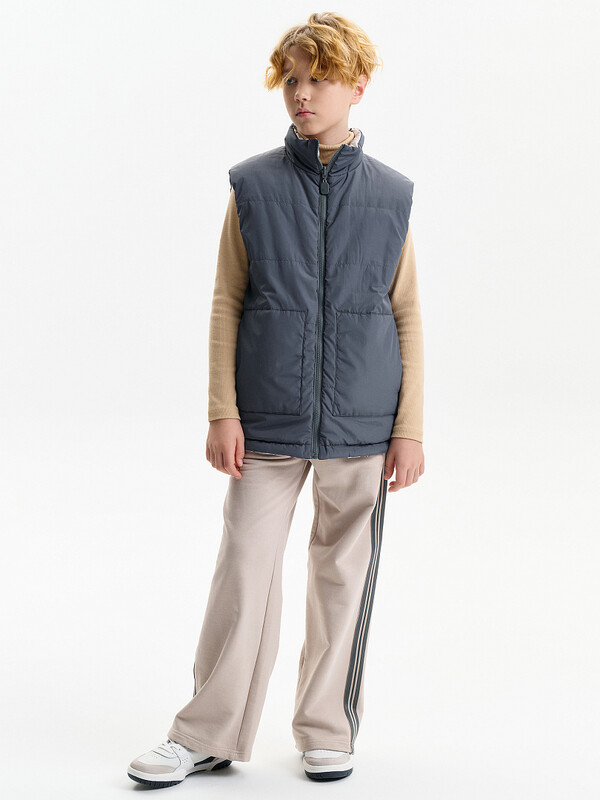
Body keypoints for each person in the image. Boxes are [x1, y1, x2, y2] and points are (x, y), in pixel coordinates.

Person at [127, 11, 425, 787]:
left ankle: (327, 728)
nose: (303, 93)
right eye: (292, 79)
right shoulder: (253, 186)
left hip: (364, 421)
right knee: (244, 568)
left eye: (320, 78)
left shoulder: (391, 197)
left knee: (341, 577)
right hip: (265, 416)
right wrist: (221, 410)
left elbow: (406, 314)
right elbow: (227, 300)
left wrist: (410, 428)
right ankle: (207, 733)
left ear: (358, 86)